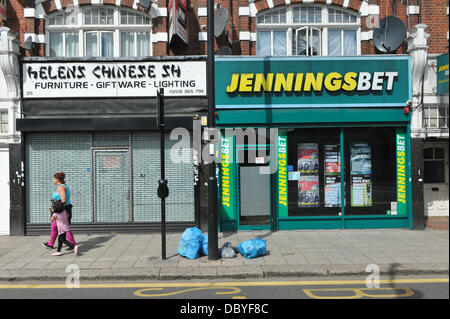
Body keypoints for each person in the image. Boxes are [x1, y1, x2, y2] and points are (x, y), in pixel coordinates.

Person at [42, 172, 76, 250]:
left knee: (65, 229)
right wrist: (54, 200)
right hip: (62, 209)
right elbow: (61, 198)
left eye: (54, 179)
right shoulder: (62, 186)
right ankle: (51, 244)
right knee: (54, 226)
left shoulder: (61, 187)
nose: (53, 180)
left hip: (62, 210)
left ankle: (73, 245)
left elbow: (63, 200)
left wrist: (55, 208)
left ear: (57, 179)